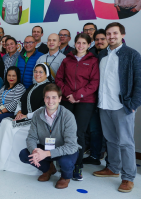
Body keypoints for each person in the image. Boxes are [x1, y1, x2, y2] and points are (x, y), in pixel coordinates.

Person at [93, 22, 141, 193]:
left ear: (122, 35)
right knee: (110, 140)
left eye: (114, 33)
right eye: (108, 34)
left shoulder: (132, 54)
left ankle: (128, 177)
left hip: (122, 107)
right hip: (104, 105)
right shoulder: (102, 55)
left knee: (125, 142)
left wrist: (133, 104)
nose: (111, 36)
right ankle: (113, 168)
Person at [55, 33, 99, 181]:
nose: (80, 46)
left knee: (79, 133)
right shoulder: (67, 59)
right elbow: (59, 79)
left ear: (88, 45)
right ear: (75, 44)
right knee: (65, 131)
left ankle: (77, 165)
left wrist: (78, 95)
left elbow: (94, 83)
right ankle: (65, 162)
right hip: (67, 99)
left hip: (85, 101)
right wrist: (68, 94)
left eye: (84, 43)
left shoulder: (93, 61)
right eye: (78, 43)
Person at [19, 84, 80, 189]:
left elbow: (71, 146)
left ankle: (65, 177)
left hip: (65, 150)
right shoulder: (37, 114)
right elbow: (31, 137)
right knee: (24, 154)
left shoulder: (68, 116)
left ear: (60, 99)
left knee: (65, 162)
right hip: (47, 147)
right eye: (47, 97)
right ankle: (48, 169)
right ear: (44, 99)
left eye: (54, 97)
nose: (50, 100)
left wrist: (45, 154)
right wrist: (35, 151)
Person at [0, 63, 51, 174]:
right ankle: (4, 161)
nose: (37, 74)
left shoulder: (49, 88)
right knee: (4, 123)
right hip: (25, 117)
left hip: (38, 121)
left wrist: (27, 116)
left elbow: (45, 108)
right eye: (35, 71)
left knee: (10, 127)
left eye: (41, 72)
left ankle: (12, 162)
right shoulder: (32, 86)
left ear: (46, 74)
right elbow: (21, 101)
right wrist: (19, 112)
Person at [83, 28, 109, 165]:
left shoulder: (111, 55)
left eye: (102, 39)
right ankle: (94, 156)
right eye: (97, 39)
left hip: (109, 99)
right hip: (92, 98)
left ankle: (111, 162)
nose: (99, 41)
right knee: (93, 129)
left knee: (110, 132)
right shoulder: (90, 55)